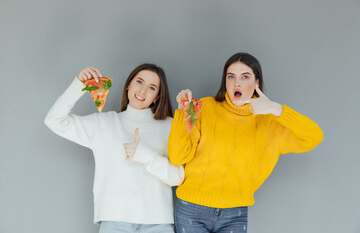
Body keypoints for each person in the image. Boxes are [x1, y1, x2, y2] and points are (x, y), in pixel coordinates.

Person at [168, 52, 323, 233]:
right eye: (231, 77)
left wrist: (277, 108)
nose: (237, 83)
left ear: (257, 83)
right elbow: (178, 156)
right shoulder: (205, 107)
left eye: (245, 77)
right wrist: (182, 112)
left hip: (235, 213)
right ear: (225, 81)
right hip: (192, 209)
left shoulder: (270, 122)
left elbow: (314, 136)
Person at [45, 64, 184, 233]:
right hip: (115, 224)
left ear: (156, 97)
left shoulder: (170, 126)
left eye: (152, 88)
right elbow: (54, 120)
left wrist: (145, 155)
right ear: (128, 85)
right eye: (139, 82)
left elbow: (178, 177)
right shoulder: (103, 124)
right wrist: (79, 85)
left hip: (158, 224)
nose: (142, 90)